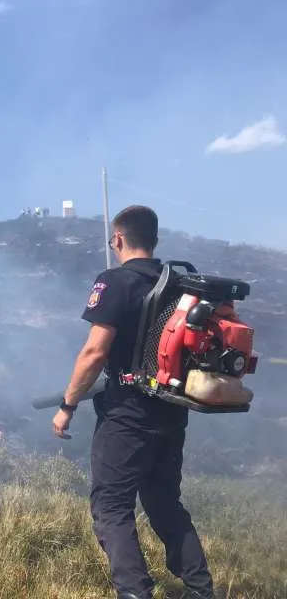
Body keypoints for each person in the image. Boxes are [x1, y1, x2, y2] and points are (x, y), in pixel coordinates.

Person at [52, 205, 215, 599]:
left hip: (127, 413)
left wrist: (68, 405)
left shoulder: (115, 281)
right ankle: (201, 589)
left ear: (119, 239)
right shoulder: (181, 285)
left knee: (111, 506)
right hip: (172, 409)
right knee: (163, 502)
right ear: (155, 240)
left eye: (113, 239)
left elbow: (94, 353)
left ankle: (135, 591)